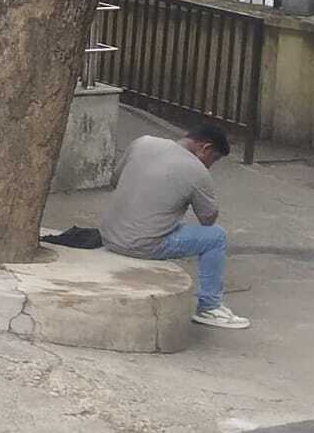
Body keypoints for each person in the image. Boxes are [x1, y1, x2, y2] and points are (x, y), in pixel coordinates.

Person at [101, 126, 251, 330]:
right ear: (205, 148)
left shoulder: (143, 142)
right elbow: (208, 219)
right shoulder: (197, 171)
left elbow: (115, 181)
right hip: (141, 245)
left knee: (166, 219)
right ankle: (209, 307)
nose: (210, 165)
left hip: (109, 235)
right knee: (216, 237)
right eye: (214, 159)